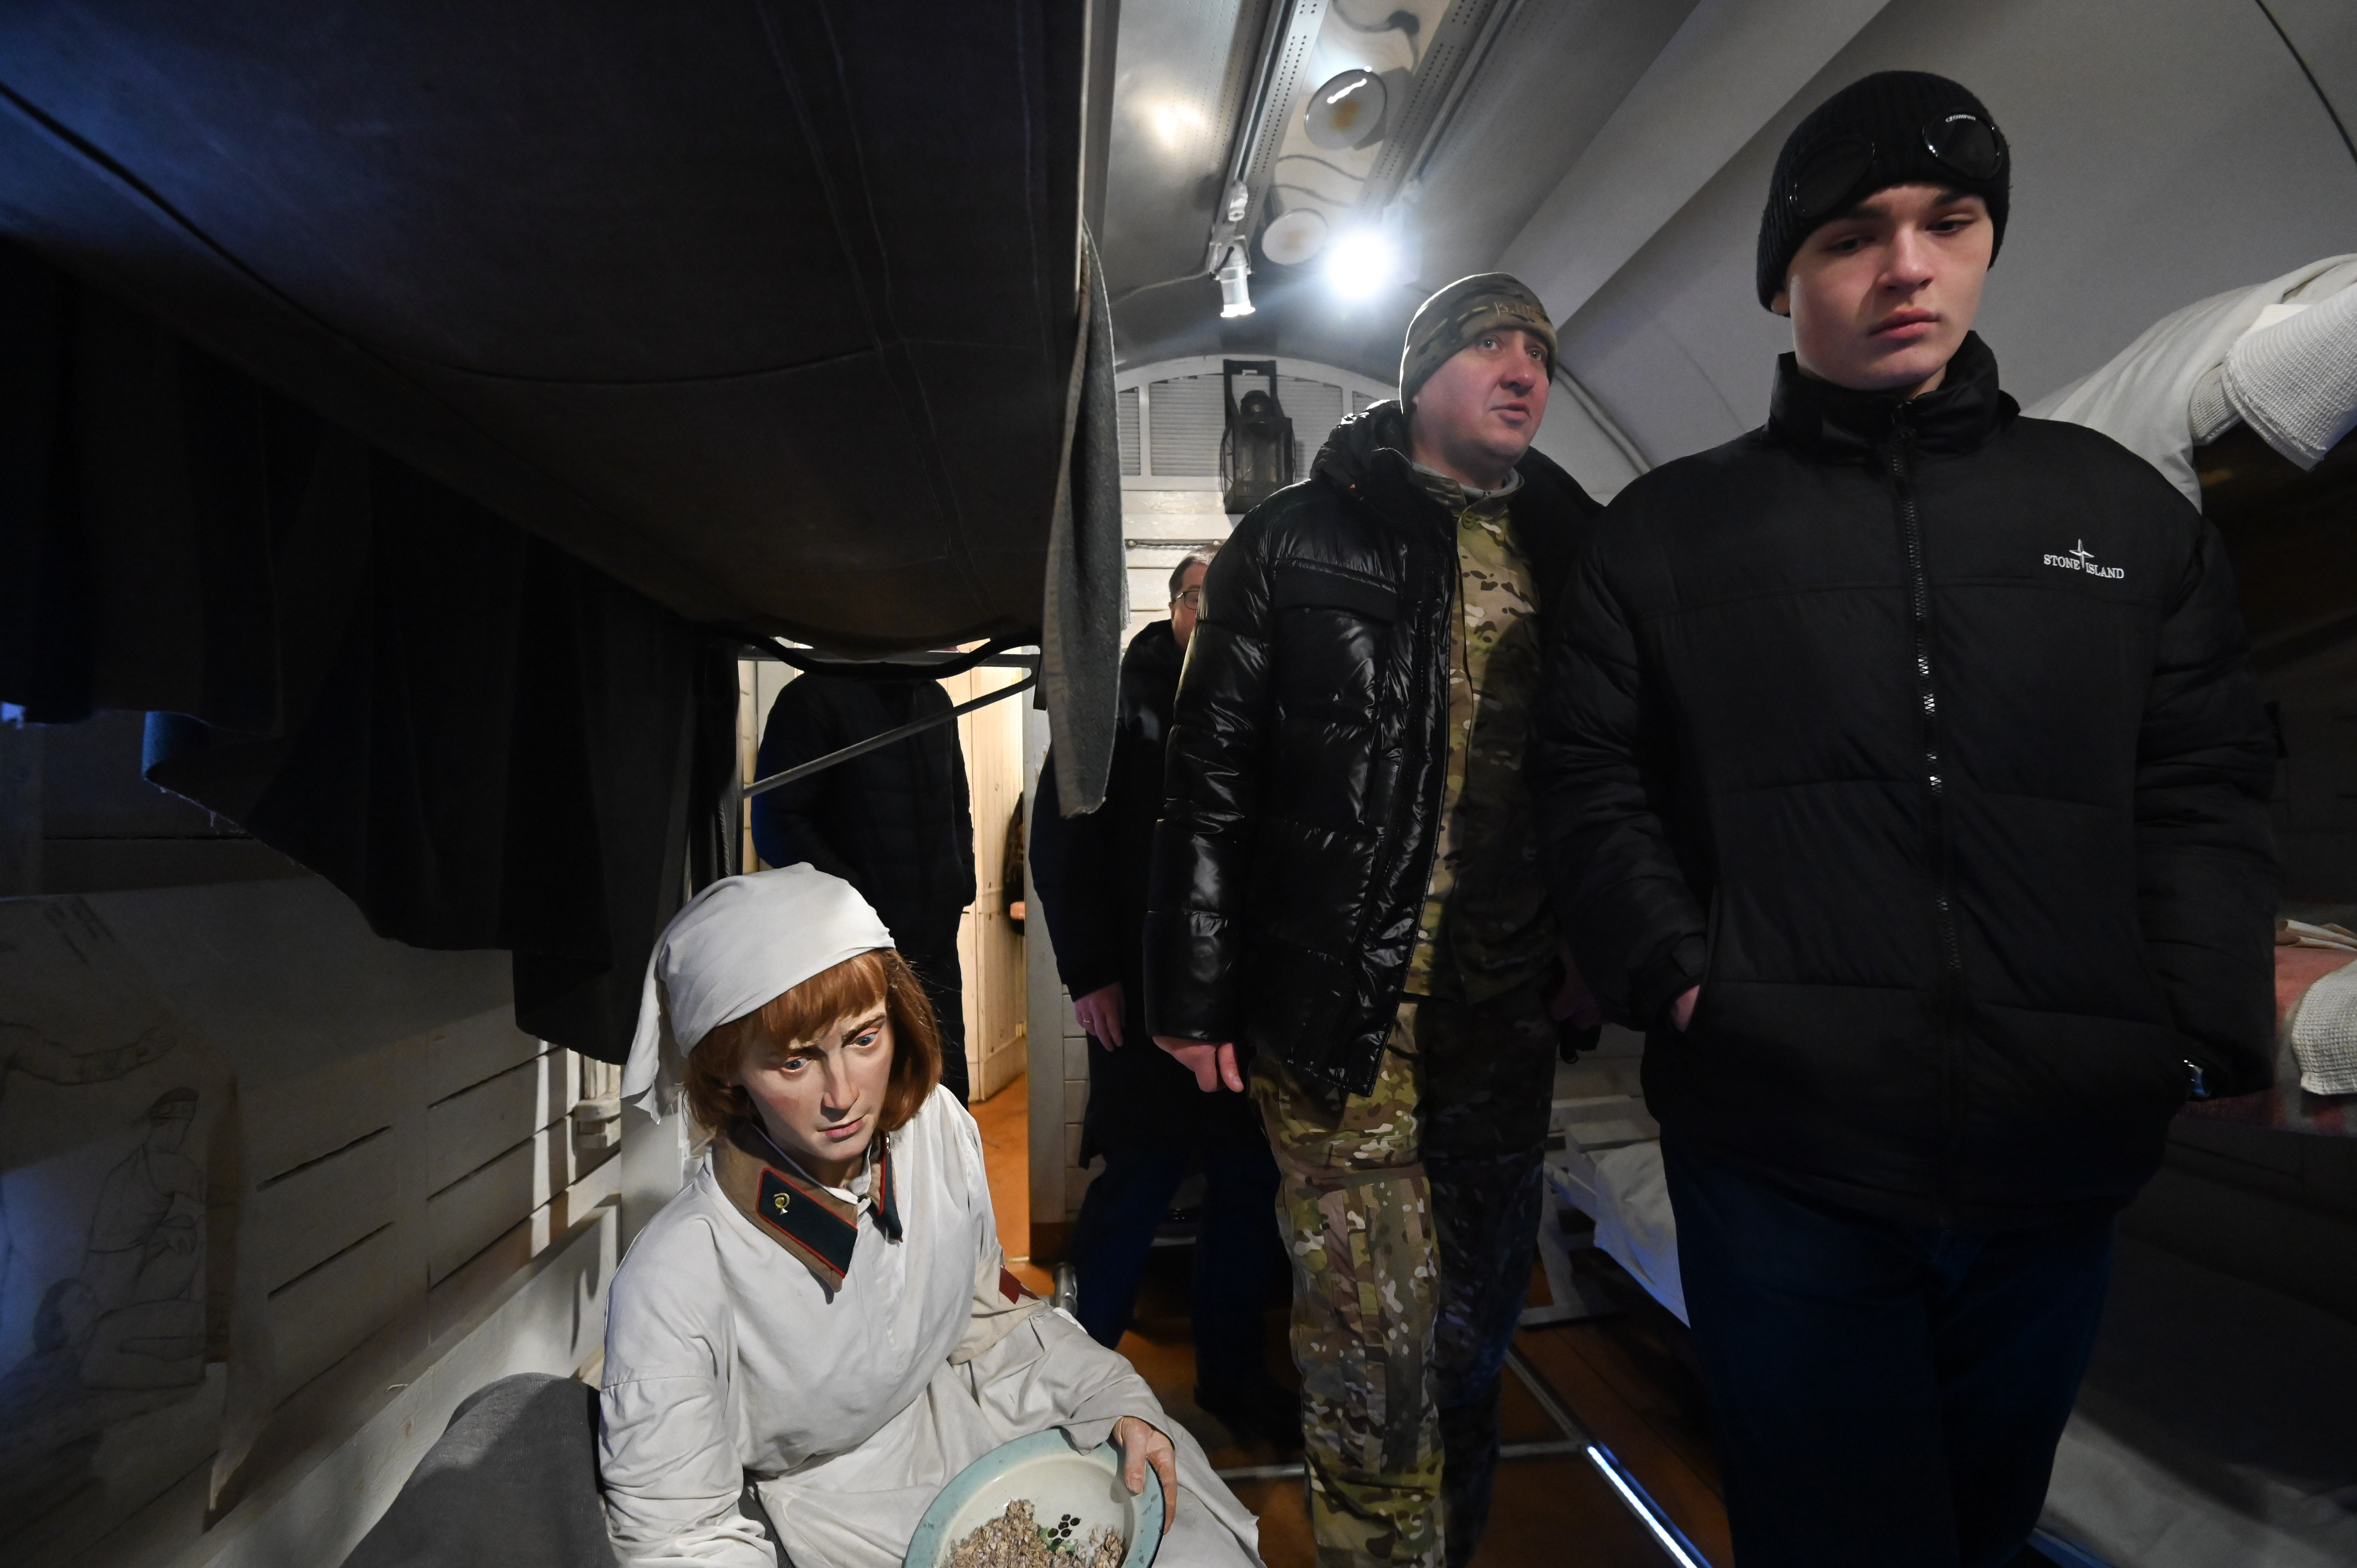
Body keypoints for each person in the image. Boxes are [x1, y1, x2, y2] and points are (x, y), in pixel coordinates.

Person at [1529, 71, 2277, 1568]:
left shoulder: (2121, 517)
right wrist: (1686, 979)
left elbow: (2199, 777)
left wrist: (2195, 1026)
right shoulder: (1664, 536)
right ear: (1781, 278)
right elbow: (1584, 780)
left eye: (1946, 223)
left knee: (1980, 1528)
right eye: (1849, 236)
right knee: (1830, 1539)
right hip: (1778, 1152)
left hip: (2053, 1149)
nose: (1904, 268)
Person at [1145, 276, 1606, 1568]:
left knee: (1467, 1339)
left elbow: (1616, 772)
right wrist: (1191, 991)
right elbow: (1209, 778)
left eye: (1539, 352)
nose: (1522, 369)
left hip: (1501, 1015)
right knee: (1369, 1352)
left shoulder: (1579, 545)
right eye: (1489, 344)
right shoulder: (1291, 540)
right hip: (1338, 1013)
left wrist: (1601, 945)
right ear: (1419, 373)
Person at [601, 865, 1263, 1568]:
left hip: (975, 1424)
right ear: (728, 1067)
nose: (843, 1095)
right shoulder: (675, 1278)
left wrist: (1110, 1398)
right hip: (833, 1509)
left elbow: (992, 1320)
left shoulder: (936, 1130)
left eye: (864, 1038)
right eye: (795, 1063)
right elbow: (680, 1537)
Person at [1028, 552, 1293, 1449]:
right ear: (1174, 606)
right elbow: (1061, 844)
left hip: (1241, 1004)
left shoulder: (1263, 697)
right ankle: (1074, 1385)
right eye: (1198, 598)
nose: (1213, 616)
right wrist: (1089, 970)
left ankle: (1233, 1374)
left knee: (1247, 1184)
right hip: (1138, 996)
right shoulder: (1113, 701)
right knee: (1137, 1179)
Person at [753, 671, 976, 1103]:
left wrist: (960, 881)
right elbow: (777, 826)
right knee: (869, 1097)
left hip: (935, 944)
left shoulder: (933, 697)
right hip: (852, 951)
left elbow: (957, 803)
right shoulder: (812, 698)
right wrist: (861, 903)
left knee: (944, 1090)